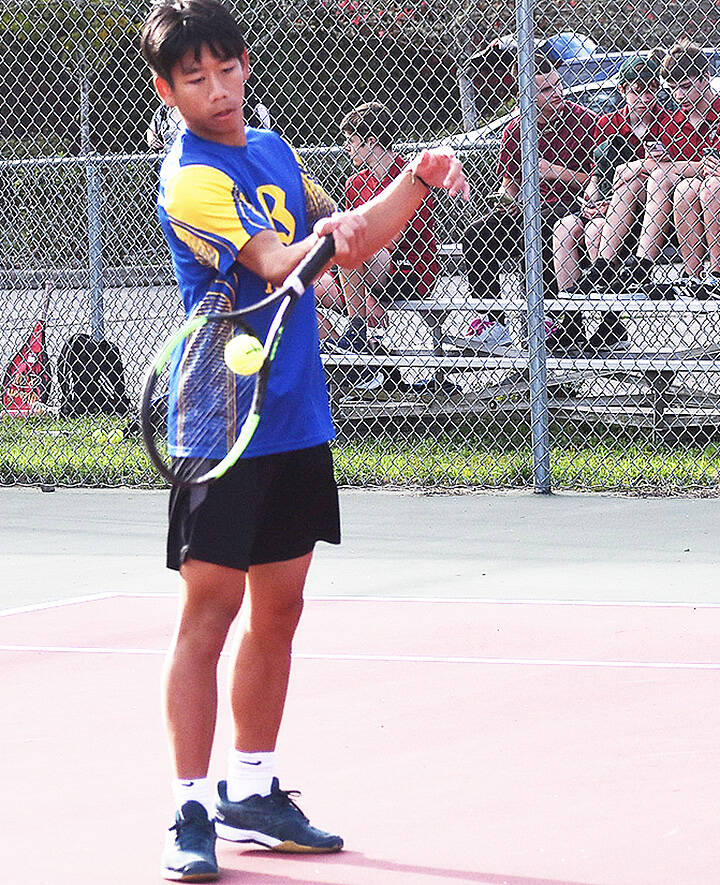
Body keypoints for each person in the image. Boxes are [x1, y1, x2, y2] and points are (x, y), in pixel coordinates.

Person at [140, 1, 469, 881]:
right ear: (169, 90)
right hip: (220, 424)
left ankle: (252, 787)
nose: (217, 90)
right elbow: (281, 262)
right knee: (209, 616)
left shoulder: (277, 155)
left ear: (245, 64)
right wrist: (319, 240)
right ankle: (189, 805)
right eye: (194, 78)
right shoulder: (190, 178)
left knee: (279, 611)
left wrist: (419, 181)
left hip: (294, 419)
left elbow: (349, 245)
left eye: (226, 69)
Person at [461, 53, 597, 355]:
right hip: (528, 209)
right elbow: (510, 184)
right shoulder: (515, 130)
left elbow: (594, 180)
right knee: (476, 234)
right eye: (546, 90)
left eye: (558, 85)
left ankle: (557, 323)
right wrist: (505, 202)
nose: (558, 94)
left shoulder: (584, 120)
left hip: (571, 209)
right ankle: (492, 322)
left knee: (543, 230)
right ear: (527, 96)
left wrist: (551, 171)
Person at [552, 53, 674, 351]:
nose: (645, 98)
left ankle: (611, 324)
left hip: (646, 211)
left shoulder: (667, 120)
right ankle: (571, 324)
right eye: (637, 90)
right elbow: (598, 173)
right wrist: (589, 202)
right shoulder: (609, 122)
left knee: (595, 233)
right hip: (607, 202)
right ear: (624, 91)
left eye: (651, 89)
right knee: (565, 228)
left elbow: (663, 171)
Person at [317, 102, 441, 357]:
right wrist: (363, 298)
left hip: (408, 268)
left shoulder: (409, 176)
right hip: (362, 273)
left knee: (348, 241)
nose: (348, 148)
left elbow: (390, 238)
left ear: (370, 141)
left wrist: (360, 293)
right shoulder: (355, 182)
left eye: (352, 141)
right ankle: (352, 357)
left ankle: (357, 329)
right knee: (305, 284)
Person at [627, 40, 720, 297]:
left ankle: (717, 272)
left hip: (714, 191)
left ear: (706, 78)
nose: (678, 95)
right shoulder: (674, 120)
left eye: (686, 87)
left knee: (709, 187)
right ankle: (692, 276)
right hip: (685, 197)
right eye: (672, 88)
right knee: (685, 188)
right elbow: (666, 168)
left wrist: (678, 167)